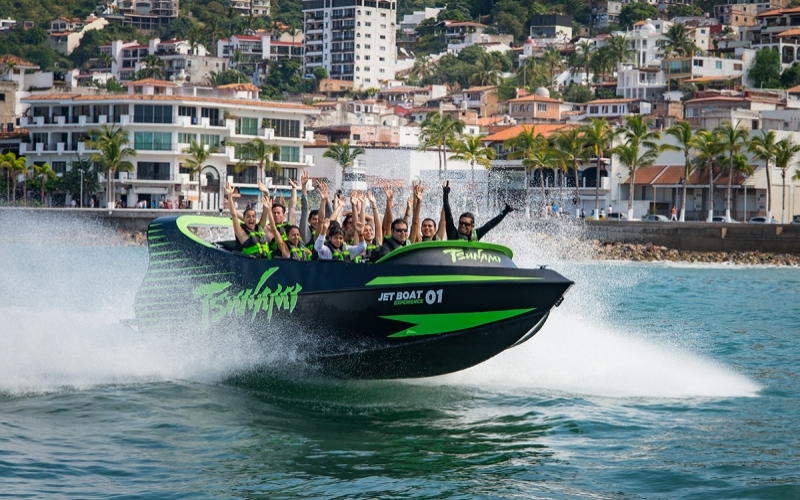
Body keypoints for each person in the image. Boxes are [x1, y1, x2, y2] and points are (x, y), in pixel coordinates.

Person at [442, 181, 513, 241]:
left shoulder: (476, 234)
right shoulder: (453, 234)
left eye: (466, 224)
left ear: (472, 226)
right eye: (461, 223)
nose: (463, 226)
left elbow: (490, 224)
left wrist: (505, 211)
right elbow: (448, 215)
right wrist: (445, 194)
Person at [225, 182, 273, 258]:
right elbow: (234, 215)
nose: (251, 219)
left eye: (253, 216)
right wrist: (230, 195)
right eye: (248, 216)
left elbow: (265, 211)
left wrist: (267, 193)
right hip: (252, 263)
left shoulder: (260, 227)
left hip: (266, 262)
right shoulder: (241, 233)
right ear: (244, 219)